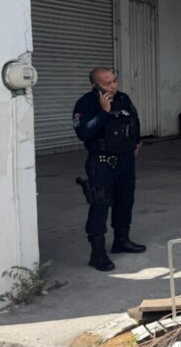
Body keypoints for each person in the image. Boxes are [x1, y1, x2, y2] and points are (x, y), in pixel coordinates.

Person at [72, 67, 144, 272]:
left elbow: (134, 120)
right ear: (94, 85)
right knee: (100, 205)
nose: (113, 86)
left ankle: (122, 241)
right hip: (101, 162)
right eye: (107, 83)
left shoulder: (123, 98)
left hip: (125, 160)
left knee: (125, 201)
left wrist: (137, 142)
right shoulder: (85, 103)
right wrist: (103, 112)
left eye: (114, 81)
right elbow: (84, 133)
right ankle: (97, 254)